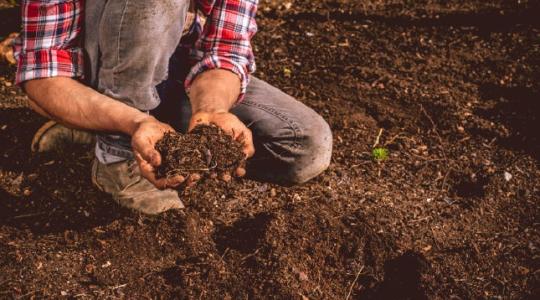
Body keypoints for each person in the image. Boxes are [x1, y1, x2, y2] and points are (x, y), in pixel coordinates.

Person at [12, 0, 332, 214]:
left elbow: (226, 50)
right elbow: (44, 75)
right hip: (90, 71)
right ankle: (118, 158)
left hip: (174, 66)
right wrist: (132, 123)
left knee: (302, 145)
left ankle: (110, 132)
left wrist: (212, 110)